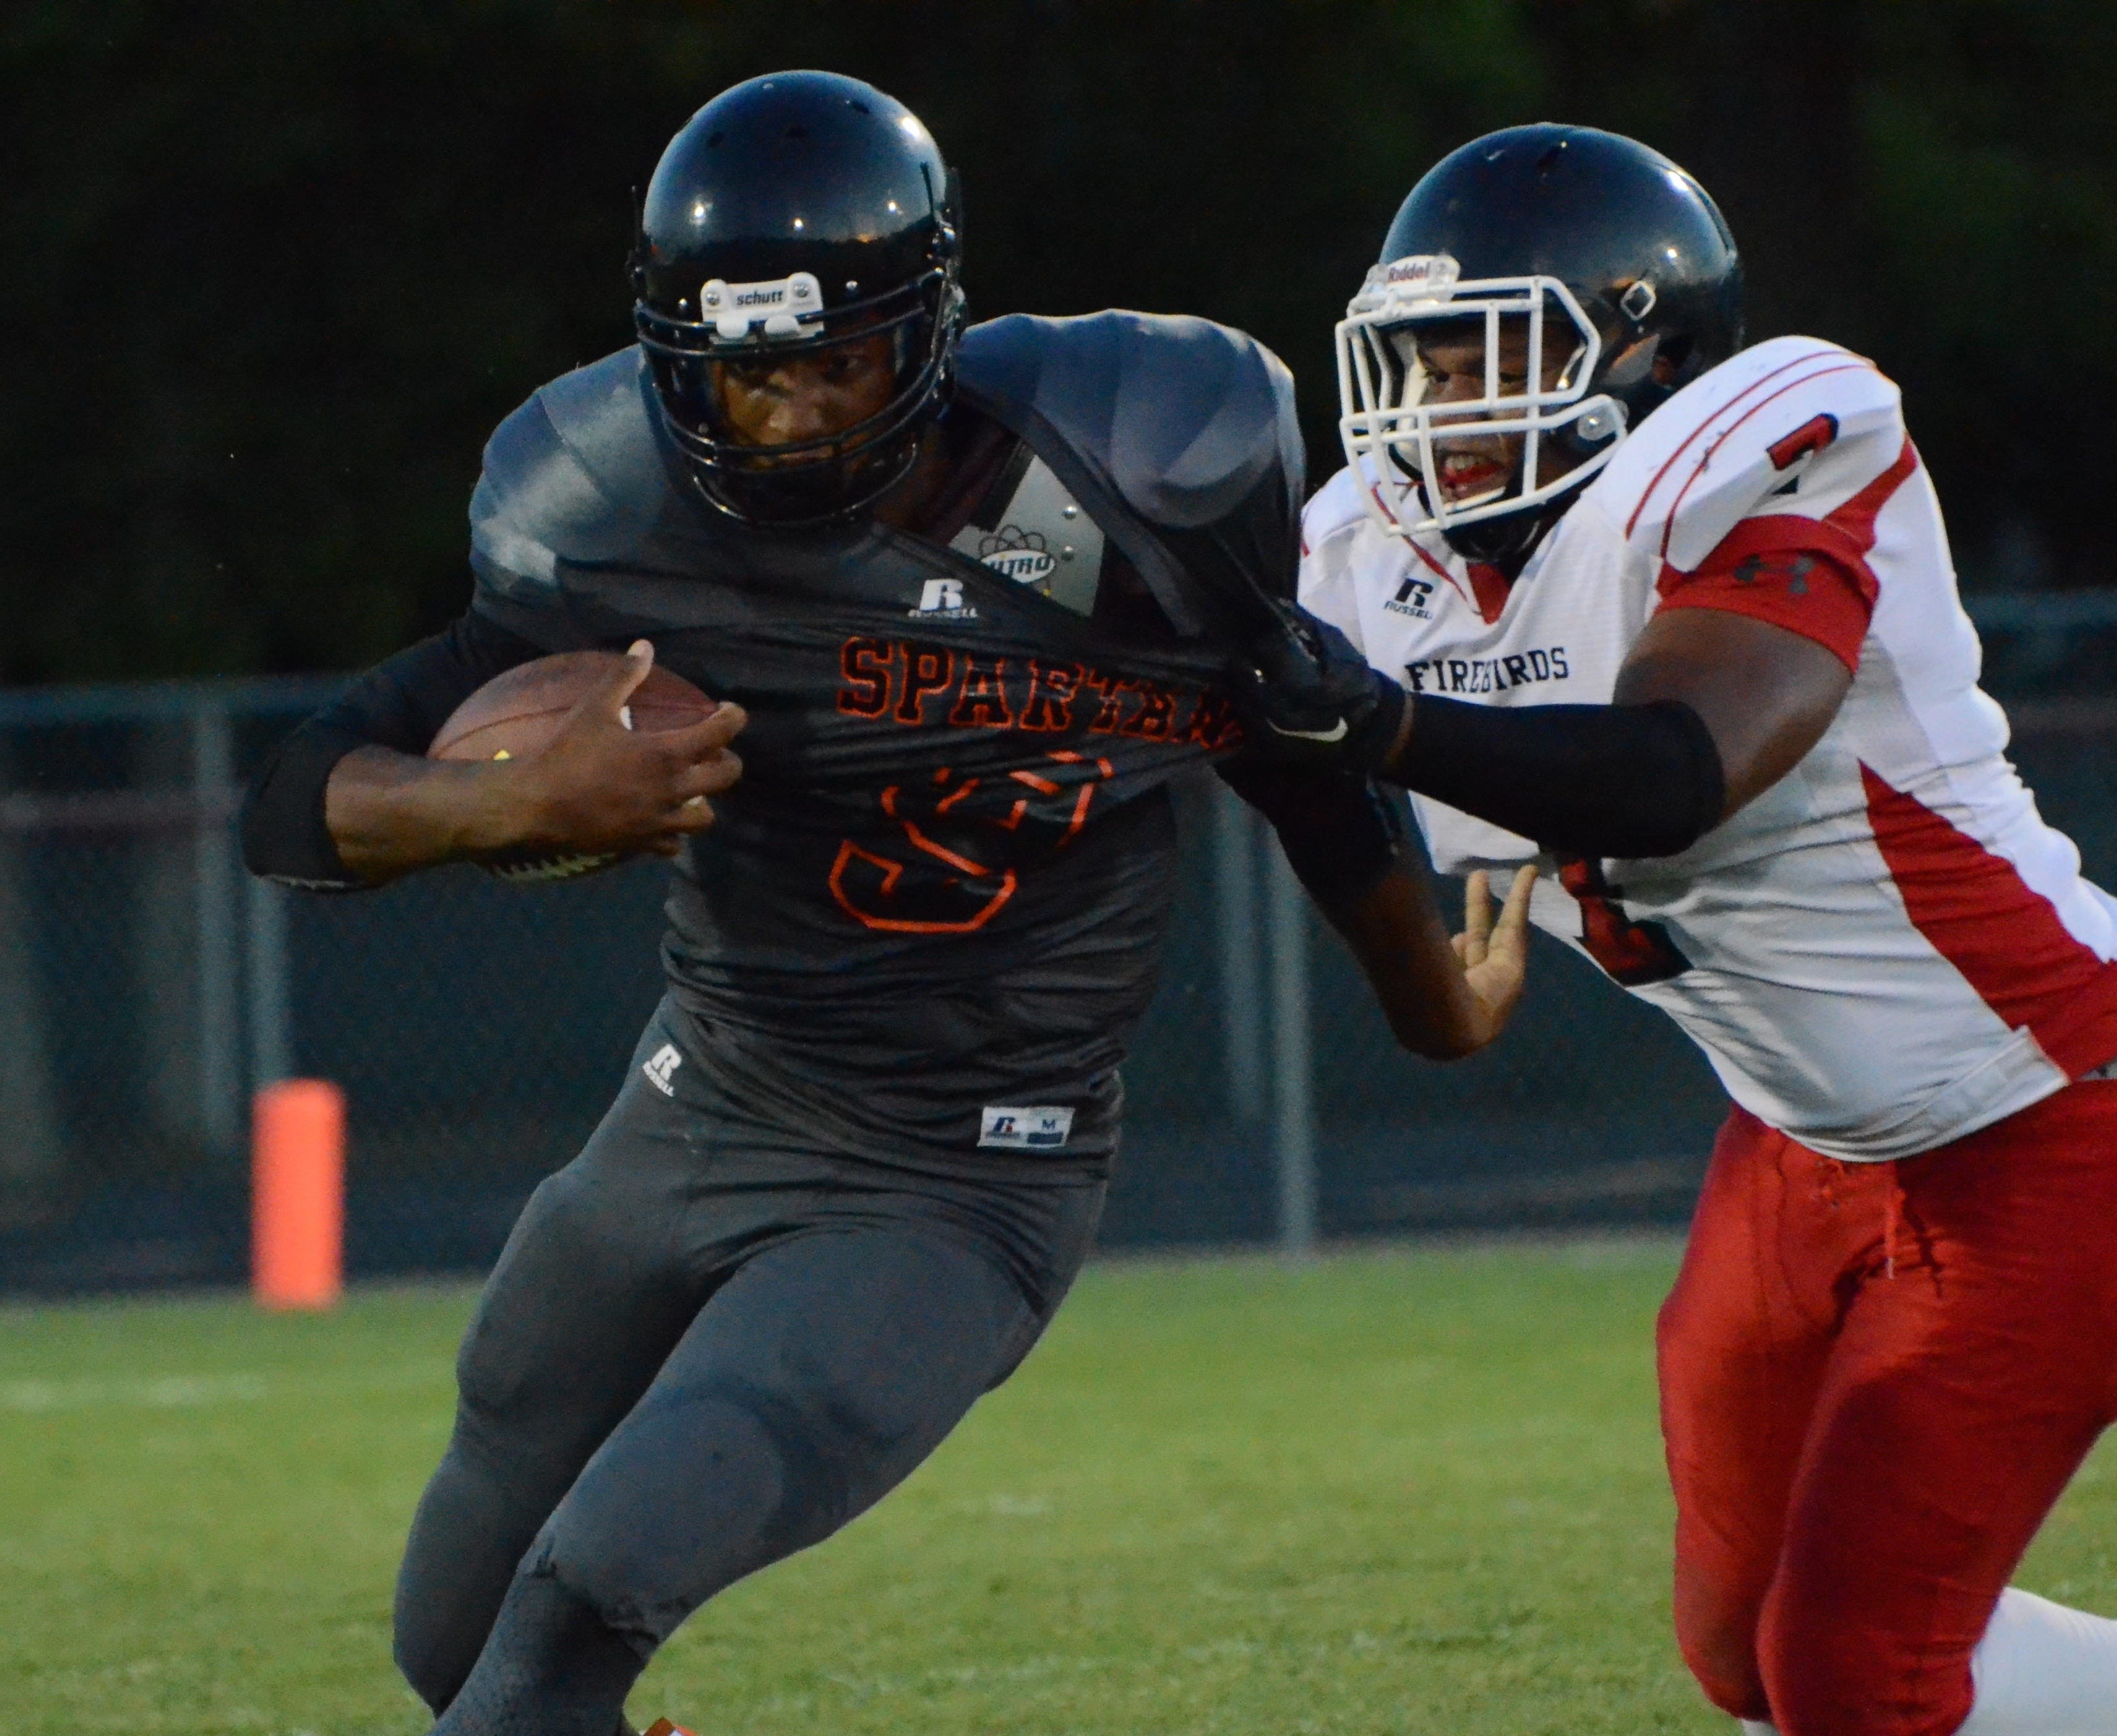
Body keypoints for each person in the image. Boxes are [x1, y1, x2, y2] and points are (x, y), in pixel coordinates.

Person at [241, 70, 1533, 1736]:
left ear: (927, 330)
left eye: (830, 362)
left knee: (584, 1599)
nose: (788, 416)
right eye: (744, 374)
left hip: (959, 1167)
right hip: (706, 1097)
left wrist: (1436, 1002)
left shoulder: (1144, 477)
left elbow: (1292, 757)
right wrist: (509, 800)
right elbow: (297, 802)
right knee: (455, 1638)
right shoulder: (616, 521)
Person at [1225, 123, 2117, 1736]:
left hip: (2056, 1130)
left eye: (1484, 359)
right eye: (1421, 364)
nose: (1439, 412)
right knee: (1744, 1658)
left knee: (1849, 1674)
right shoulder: (1375, 564)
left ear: (1645, 351)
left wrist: (1373, 728)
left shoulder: (1776, 460)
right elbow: (1318, 775)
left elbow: (1666, 775)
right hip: (1802, 1149)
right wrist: (1430, 981)